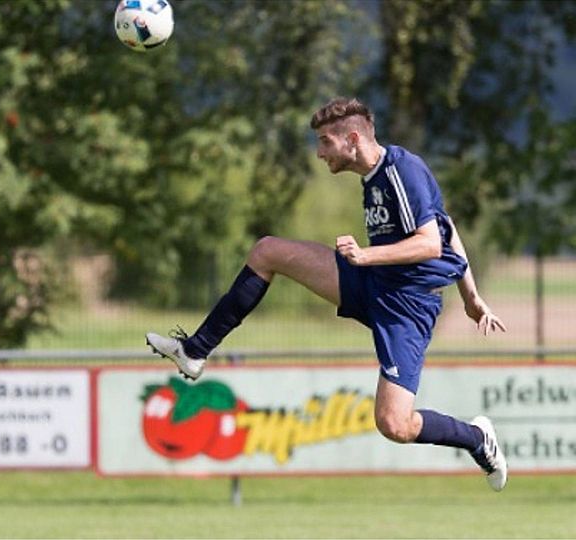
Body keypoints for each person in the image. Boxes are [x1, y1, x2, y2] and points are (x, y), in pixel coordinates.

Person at [146, 97, 509, 491]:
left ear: (352, 138)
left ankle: (477, 438)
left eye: (324, 142)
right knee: (267, 251)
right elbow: (446, 225)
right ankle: (196, 350)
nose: (319, 153)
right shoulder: (371, 178)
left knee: (394, 424)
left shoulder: (403, 170)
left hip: (407, 306)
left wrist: (370, 256)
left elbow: (431, 244)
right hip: (371, 282)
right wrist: (472, 298)